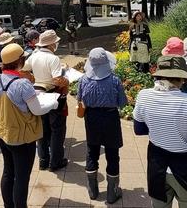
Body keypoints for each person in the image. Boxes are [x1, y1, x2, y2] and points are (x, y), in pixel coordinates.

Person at [0, 43, 63, 208]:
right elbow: (37, 110)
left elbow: (12, 99)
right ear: (20, 60)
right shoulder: (22, 84)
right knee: (22, 178)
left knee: (8, 173)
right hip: (21, 138)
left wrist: (31, 95)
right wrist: (53, 103)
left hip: (3, 133)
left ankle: (8, 205)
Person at [133, 55, 187, 208]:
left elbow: (139, 129)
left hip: (157, 163)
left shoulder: (144, 95)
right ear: (181, 78)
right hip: (183, 165)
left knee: (159, 205)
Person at [77, 47, 127, 204]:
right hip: (110, 117)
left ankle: (93, 190)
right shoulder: (114, 80)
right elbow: (122, 102)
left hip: (91, 118)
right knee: (112, 154)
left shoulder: (83, 80)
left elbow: (79, 99)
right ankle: (112, 193)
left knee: (92, 151)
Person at [23, 30, 69, 171]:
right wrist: (66, 79)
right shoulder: (53, 59)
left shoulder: (34, 55)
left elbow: (23, 71)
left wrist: (34, 80)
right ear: (51, 44)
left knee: (42, 129)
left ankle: (43, 160)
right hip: (52, 94)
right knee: (57, 129)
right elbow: (57, 80)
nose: (56, 44)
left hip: (37, 94)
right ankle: (56, 162)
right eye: (55, 42)